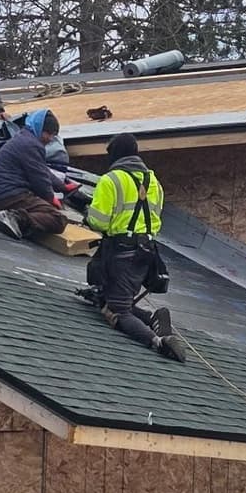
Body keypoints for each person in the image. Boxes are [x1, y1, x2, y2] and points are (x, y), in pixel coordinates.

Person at [83, 133, 183, 361]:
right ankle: (154, 318)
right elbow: (156, 219)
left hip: (121, 251)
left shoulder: (111, 179)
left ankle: (158, 342)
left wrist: (87, 214)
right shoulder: (154, 182)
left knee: (117, 310)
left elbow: (98, 221)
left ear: (115, 155)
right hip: (146, 252)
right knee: (115, 299)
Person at [0, 110, 69, 241]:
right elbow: (40, 179)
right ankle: (15, 218)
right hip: (12, 197)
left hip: (1, 197)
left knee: (46, 210)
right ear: (40, 129)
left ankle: (13, 217)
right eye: (48, 134)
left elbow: (42, 169)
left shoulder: (24, 138)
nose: (50, 139)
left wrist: (63, 186)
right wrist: (50, 198)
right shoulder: (32, 145)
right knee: (58, 219)